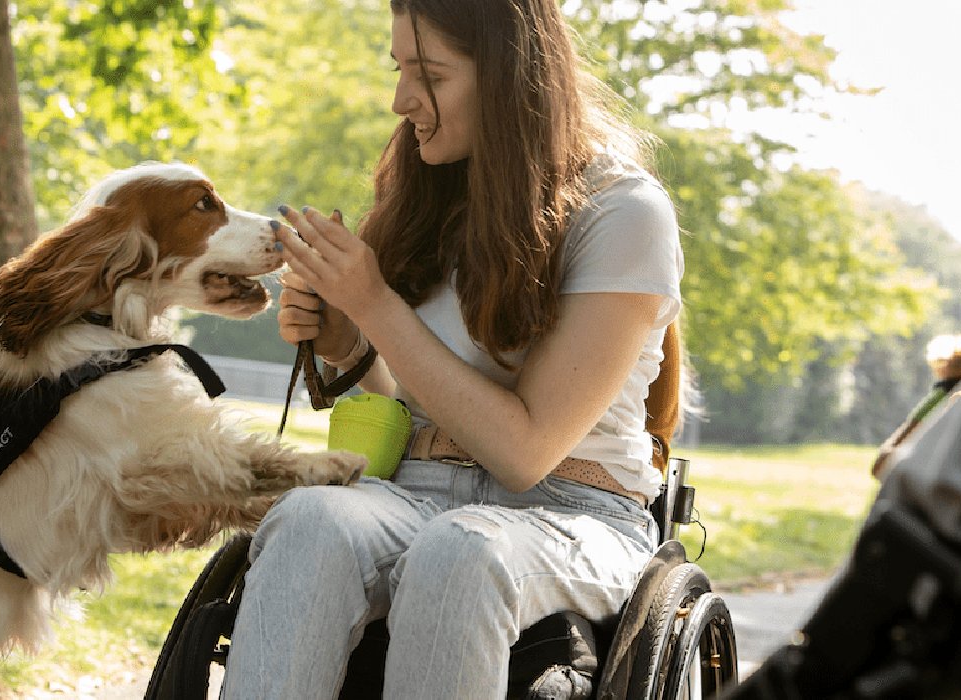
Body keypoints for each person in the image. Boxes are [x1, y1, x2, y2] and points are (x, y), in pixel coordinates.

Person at [222, 0, 684, 697]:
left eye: (429, 73)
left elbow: (524, 453)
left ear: (509, 76)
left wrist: (375, 305)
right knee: (311, 517)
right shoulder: (427, 194)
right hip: (415, 489)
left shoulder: (624, 212)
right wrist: (349, 342)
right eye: (400, 67)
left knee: (464, 551)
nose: (401, 98)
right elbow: (407, 398)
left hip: (573, 512)